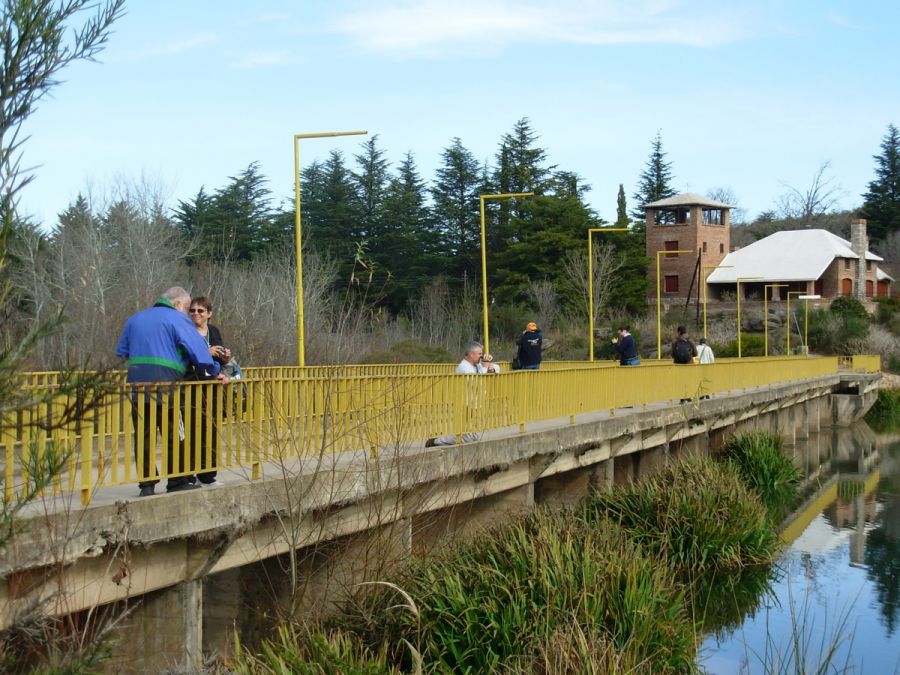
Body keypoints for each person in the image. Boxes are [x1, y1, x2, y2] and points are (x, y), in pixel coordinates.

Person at [116, 287, 228, 497]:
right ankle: (177, 480)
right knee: (175, 432)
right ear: (177, 304)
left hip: (137, 383)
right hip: (168, 384)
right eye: (187, 308)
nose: (188, 314)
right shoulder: (177, 320)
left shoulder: (135, 319)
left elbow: (121, 351)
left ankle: (147, 485)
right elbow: (200, 354)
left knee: (144, 434)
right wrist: (215, 371)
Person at [187, 296, 231, 486]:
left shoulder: (213, 331)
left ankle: (208, 475)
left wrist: (225, 357)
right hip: (193, 386)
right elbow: (185, 357)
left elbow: (219, 359)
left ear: (209, 314)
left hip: (212, 386)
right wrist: (207, 353)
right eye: (193, 310)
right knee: (192, 432)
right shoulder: (187, 331)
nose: (196, 314)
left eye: (200, 311)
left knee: (210, 431)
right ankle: (190, 475)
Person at [426, 341, 498, 447]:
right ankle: (436, 441)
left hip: (475, 404)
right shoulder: (464, 367)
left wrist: (489, 366)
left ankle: (439, 440)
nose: (481, 356)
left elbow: (497, 368)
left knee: (473, 435)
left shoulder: (476, 366)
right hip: (466, 404)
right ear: (471, 354)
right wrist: (485, 367)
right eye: (479, 354)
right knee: (466, 436)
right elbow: (476, 382)